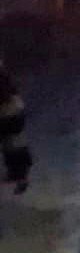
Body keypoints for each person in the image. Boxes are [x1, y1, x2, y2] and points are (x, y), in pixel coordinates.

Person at [0, 57, 31, 194]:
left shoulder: (2, 79)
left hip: (10, 113)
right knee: (10, 145)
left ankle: (21, 179)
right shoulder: (3, 76)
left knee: (14, 145)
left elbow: (5, 96)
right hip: (11, 112)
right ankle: (16, 175)